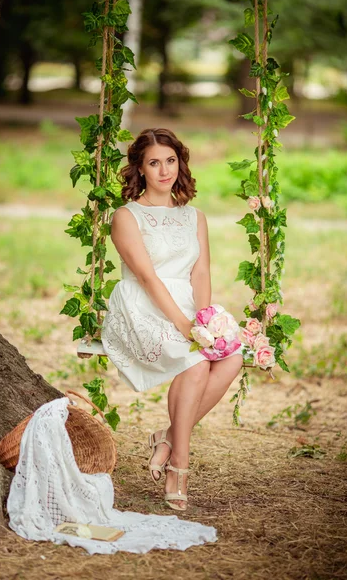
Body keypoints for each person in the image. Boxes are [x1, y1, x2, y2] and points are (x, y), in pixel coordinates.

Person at [100, 128, 243, 511]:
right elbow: (146, 278)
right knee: (196, 364)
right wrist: (183, 325)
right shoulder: (126, 216)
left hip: (187, 304)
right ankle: (179, 464)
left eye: (170, 160)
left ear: (180, 163)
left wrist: (205, 320)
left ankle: (166, 436)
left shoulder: (195, 216)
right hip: (141, 305)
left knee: (232, 357)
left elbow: (201, 273)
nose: (164, 170)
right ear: (140, 170)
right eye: (154, 163)